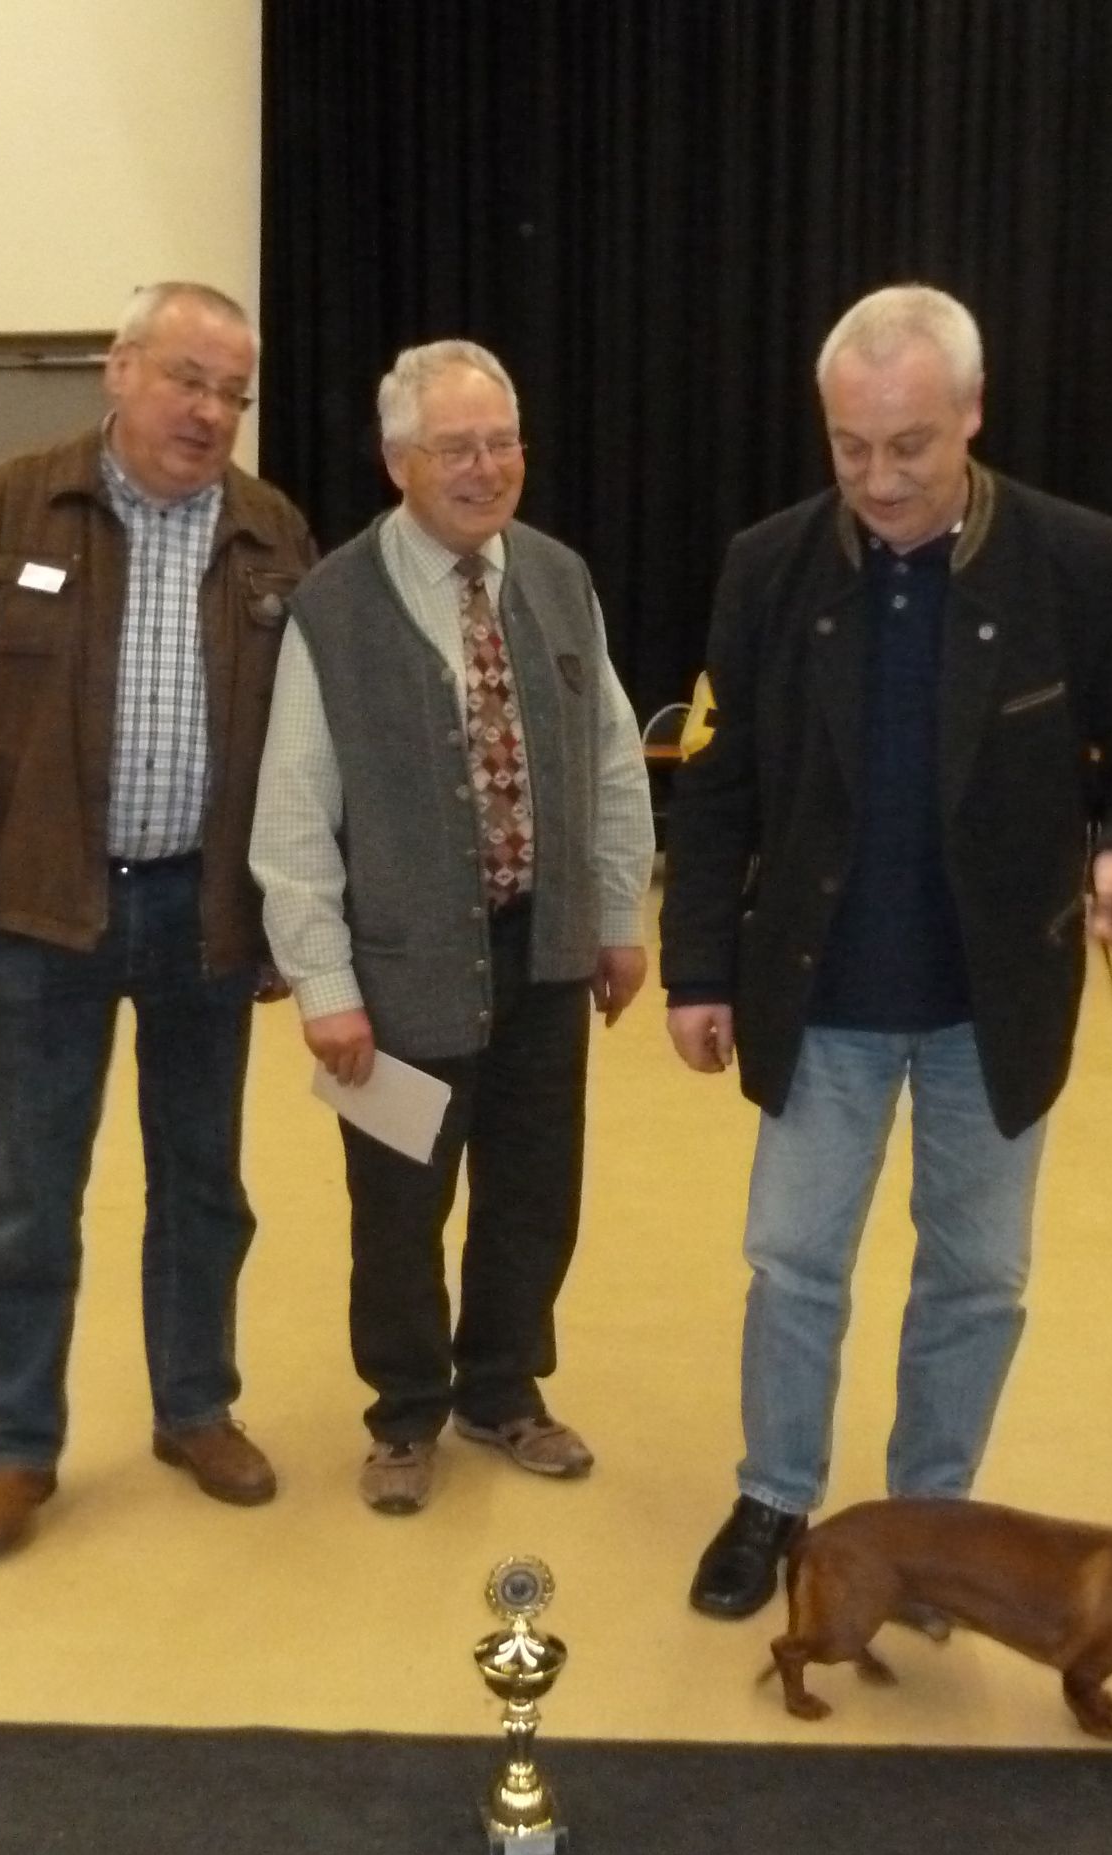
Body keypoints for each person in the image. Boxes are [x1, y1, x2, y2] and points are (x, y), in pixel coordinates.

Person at [660, 285, 1112, 1618]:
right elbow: (718, 784)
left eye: (908, 445)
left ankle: (930, 1521)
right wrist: (698, 969)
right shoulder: (769, 566)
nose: (879, 478)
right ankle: (775, 1497)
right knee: (794, 1262)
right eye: (850, 447)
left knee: (975, 1279)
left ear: (971, 415)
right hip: (821, 990)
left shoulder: (1076, 561)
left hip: (992, 999)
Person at [0, 281, 318, 1561]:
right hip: (42, 909)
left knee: (202, 1184)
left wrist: (293, 923)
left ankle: (196, 1410)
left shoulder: (271, 532)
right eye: (189, 379)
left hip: (204, 912)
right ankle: (18, 1445)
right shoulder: (11, 509)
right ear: (119, 370)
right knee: (32, 1194)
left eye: (233, 393)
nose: (210, 412)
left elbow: (307, 750)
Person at [250, 340, 655, 1516]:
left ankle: (503, 1389)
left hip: (544, 956)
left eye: (501, 443)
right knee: (396, 1211)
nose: (486, 469)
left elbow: (612, 757)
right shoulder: (333, 607)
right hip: (394, 980)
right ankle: (404, 1411)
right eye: (455, 448)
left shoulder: (559, 576)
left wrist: (616, 915)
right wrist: (325, 986)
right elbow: (292, 811)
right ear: (397, 462)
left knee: (533, 1191)